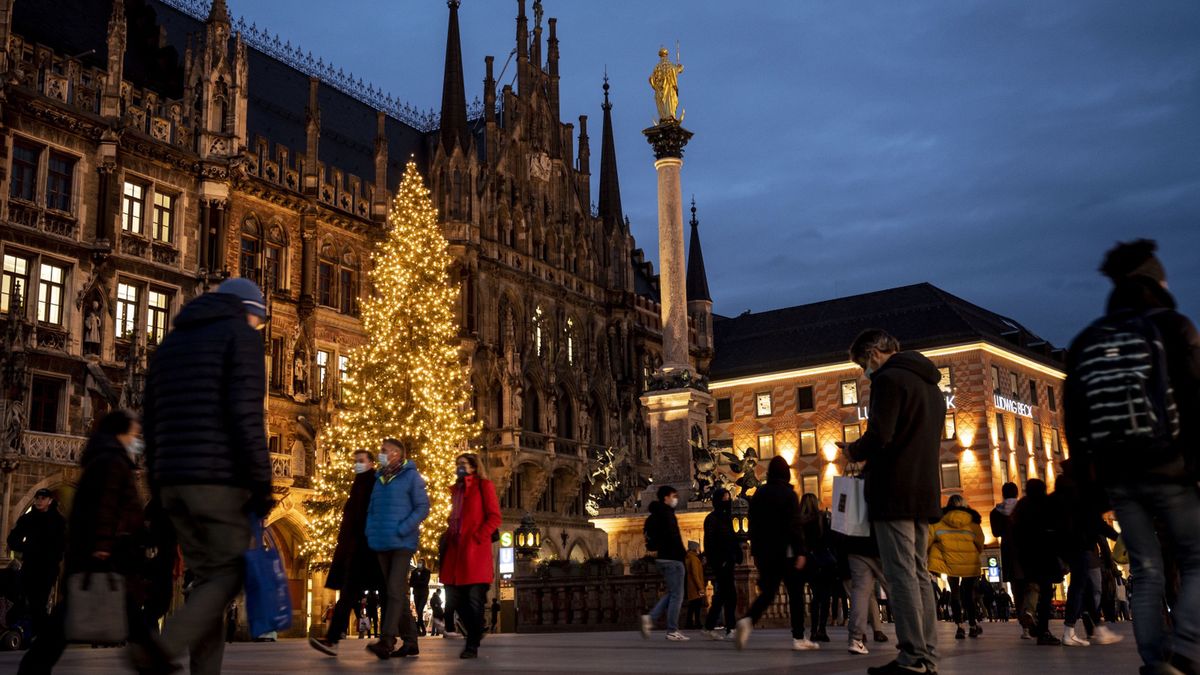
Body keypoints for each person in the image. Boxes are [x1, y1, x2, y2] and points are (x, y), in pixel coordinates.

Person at [1063, 239, 1200, 675]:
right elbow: (1195, 398)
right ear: (1155, 282)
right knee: (1196, 558)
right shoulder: (1173, 326)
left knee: (1145, 570)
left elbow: (1076, 417)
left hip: (1117, 474)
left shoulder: (1088, 339)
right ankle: (1186, 650)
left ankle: (1154, 660)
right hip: (1171, 466)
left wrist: (1089, 481)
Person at [142, 277, 273, 675]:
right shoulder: (241, 337)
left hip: (172, 480)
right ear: (249, 310)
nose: (258, 327)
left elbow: (150, 416)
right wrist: (261, 483)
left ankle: (204, 670)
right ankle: (161, 647)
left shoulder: (171, 342)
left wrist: (157, 480)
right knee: (227, 575)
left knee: (204, 585)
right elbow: (247, 416)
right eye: (259, 320)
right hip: (216, 478)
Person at [18, 411, 167, 675]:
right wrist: (102, 545)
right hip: (105, 554)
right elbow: (105, 506)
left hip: (106, 552)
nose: (137, 438)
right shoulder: (111, 461)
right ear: (120, 433)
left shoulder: (108, 458)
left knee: (113, 615)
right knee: (93, 616)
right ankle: (156, 664)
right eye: (134, 433)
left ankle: (155, 663)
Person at [842, 329, 945, 675]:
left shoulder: (888, 380)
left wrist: (853, 451)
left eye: (861, 363)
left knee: (900, 574)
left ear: (872, 354)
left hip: (894, 490)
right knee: (918, 573)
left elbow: (881, 435)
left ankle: (912, 656)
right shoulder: (931, 385)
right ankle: (926, 651)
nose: (863, 372)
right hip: (924, 490)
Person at [733, 456, 813, 651]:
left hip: (764, 552)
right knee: (795, 594)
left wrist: (757, 550)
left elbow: (752, 524)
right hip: (786, 551)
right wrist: (801, 551)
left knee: (768, 593)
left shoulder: (760, 494)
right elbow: (794, 525)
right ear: (786, 473)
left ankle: (748, 620)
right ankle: (798, 637)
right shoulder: (788, 494)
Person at [309, 449, 384, 656]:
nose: (357, 464)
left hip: (371, 547)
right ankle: (332, 639)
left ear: (370, 463)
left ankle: (395, 638)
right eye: (355, 461)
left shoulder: (374, 483)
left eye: (361, 461)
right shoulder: (359, 483)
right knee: (349, 593)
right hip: (357, 549)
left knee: (389, 595)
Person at [363, 438, 429, 660]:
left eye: (384, 451)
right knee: (395, 593)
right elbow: (372, 508)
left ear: (396, 454)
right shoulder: (379, 479)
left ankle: (387, 640)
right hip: (381, 542)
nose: (380, 454)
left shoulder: (411, 476)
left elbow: (422, 506)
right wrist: (370, 531)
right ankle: (411, 641)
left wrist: (404, 527)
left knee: (392, 590)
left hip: (402, 542)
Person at [439, 453, 502, 659]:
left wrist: (479, 536)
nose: (460, 467)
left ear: (474, 467)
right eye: (458, 464)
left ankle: (472, 644)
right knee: (456, 600)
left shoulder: (484, 486)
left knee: (474, 600)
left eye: (463, 464)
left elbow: (494, 517)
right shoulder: (456, 490)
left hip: (475, 553)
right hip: (456, 552)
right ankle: (474, 633)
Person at [1053, 464, 1123, 647]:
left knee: (1083, 588)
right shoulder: (1079, 497)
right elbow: (1096, 523)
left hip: (1066, 547)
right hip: (1080, 546)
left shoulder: (1057, 497)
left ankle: (1097, 629)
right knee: (1079, 588)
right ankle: (1071, 631)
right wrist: (1118, 537)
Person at [6, 487, 66, 642]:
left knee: (38, 602)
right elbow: (13, 539)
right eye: (37, 497)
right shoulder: (28, 519)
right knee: (27, 600)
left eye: (43, 498)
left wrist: (54, 556)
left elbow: (64, 544)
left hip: (48, 568)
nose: (39, 501)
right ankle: (41, 633)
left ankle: (43, 634)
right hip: (30, 565)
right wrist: (26, 548)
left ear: (50, 501)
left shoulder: (58, 521)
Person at [1010, 478, 1063, 646]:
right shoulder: (1045, 505)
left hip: (1026, 555)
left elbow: (1015, 533)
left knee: (1032, 585)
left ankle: (1029, 612)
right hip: (1045, 553)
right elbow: (1055, 528)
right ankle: (1043, 630)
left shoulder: (1021, 506)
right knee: (1046, 592)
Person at [927, 494, 985, 640]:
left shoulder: (939, 520)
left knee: (955, 594)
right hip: (969, 564)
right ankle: (972, 625)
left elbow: (929, 539)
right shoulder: (973, 521)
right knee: (968, 595)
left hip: (949, 563)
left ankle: (959, 627)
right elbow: (980, 543)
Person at [640, 485, 689, 641]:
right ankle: (672, 630)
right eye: (674, 495)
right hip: (673, 558)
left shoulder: (652, 516)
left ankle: (650, 618)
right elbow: (674, 536)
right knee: (677, 595)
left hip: (661, 558)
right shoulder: (668, 514)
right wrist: (683, 555)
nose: (676, 499)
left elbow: (648, 537)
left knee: (672, 592)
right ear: (665, 497)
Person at [837, 517, 892, 655]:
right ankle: (911, 639)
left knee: (860, 591)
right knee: (896, 589)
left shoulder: (855, 496)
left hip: (856, 543)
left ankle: (855, 639)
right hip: (882, 544)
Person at [989, 482, 1029, 638]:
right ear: (1017, 493)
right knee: (1030, 586)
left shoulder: (995, 512)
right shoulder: (1024, 508)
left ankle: (1024, 625)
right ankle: (1030, 613)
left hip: (1009, 552)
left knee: (1016, 589)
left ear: (1003, 494)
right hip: (1026, 551)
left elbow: (996, 532)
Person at [702, 487, 742, 641]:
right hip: (721, 562)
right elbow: (710, 542)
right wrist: (717, 560)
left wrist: (736, 553)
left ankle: (710, 626)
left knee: (722, 595)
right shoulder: (712, 518)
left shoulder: (728, 517)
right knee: (729, 594)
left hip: (729, 560)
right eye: (725, 498)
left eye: (728, 498)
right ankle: (729, 627)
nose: (727, 501)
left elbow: (733, 536)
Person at [800, 493, 835, 643]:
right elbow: (829, 539)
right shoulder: (821, 518)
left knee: (815, 597)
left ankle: (813, 630)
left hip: (810, 562)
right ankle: (822, 629)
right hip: (825, 561)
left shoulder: (800, 522)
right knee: (825, 596)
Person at [684, 541, 706, 629]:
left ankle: (691, 623)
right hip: (696, 587)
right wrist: (700, 587)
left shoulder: (691, 558)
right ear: (695, 548)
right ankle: (696, 622)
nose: (699, 550)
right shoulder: (694, 559)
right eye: (698, 548)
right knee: (696, 606)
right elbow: (695, 574)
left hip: (692, 586)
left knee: (693, 606)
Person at [410, 560, 431, 636]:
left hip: (424, 593)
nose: (419, 564)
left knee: (419, 610)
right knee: (419, 612)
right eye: (418, 562)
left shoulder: (427, 571)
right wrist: (418, 582)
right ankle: (421, 630)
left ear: (423, 564)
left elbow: (425, 582)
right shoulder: (414, 572)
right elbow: (411, 583)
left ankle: (419, 628)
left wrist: (417, 581)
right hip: (416, 593)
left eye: (420, 563)